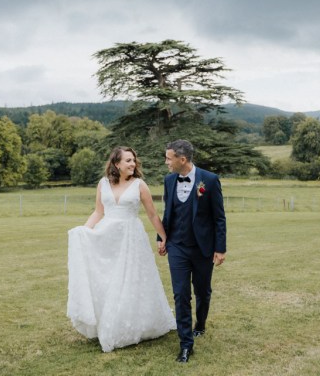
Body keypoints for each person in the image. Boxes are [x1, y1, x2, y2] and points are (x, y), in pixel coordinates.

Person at [67, 146, 176, 352]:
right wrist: (84, 231)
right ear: (116, 164)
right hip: (107, 236)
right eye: (128, 160)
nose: (133, 164)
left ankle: (131, 324)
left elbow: (152, 215)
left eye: (134, 160)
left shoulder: (139, 185)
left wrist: (164, 237)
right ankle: (105, 320)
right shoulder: (103, 184)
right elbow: (99, 211)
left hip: (131, 238)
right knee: (107, 279)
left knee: (130, 280)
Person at [158, 139, 227, 363]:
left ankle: (201, 323)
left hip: (202, 248)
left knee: (202, 291)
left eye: (169, 158)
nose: (166, 162)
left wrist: (220, 248)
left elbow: (218, 218)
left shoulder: (209, 180)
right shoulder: (169, 181)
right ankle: (186, 344)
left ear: (182, 159)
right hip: (177, 247)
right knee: (180, 295)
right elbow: (167, 213)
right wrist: (161, 237)